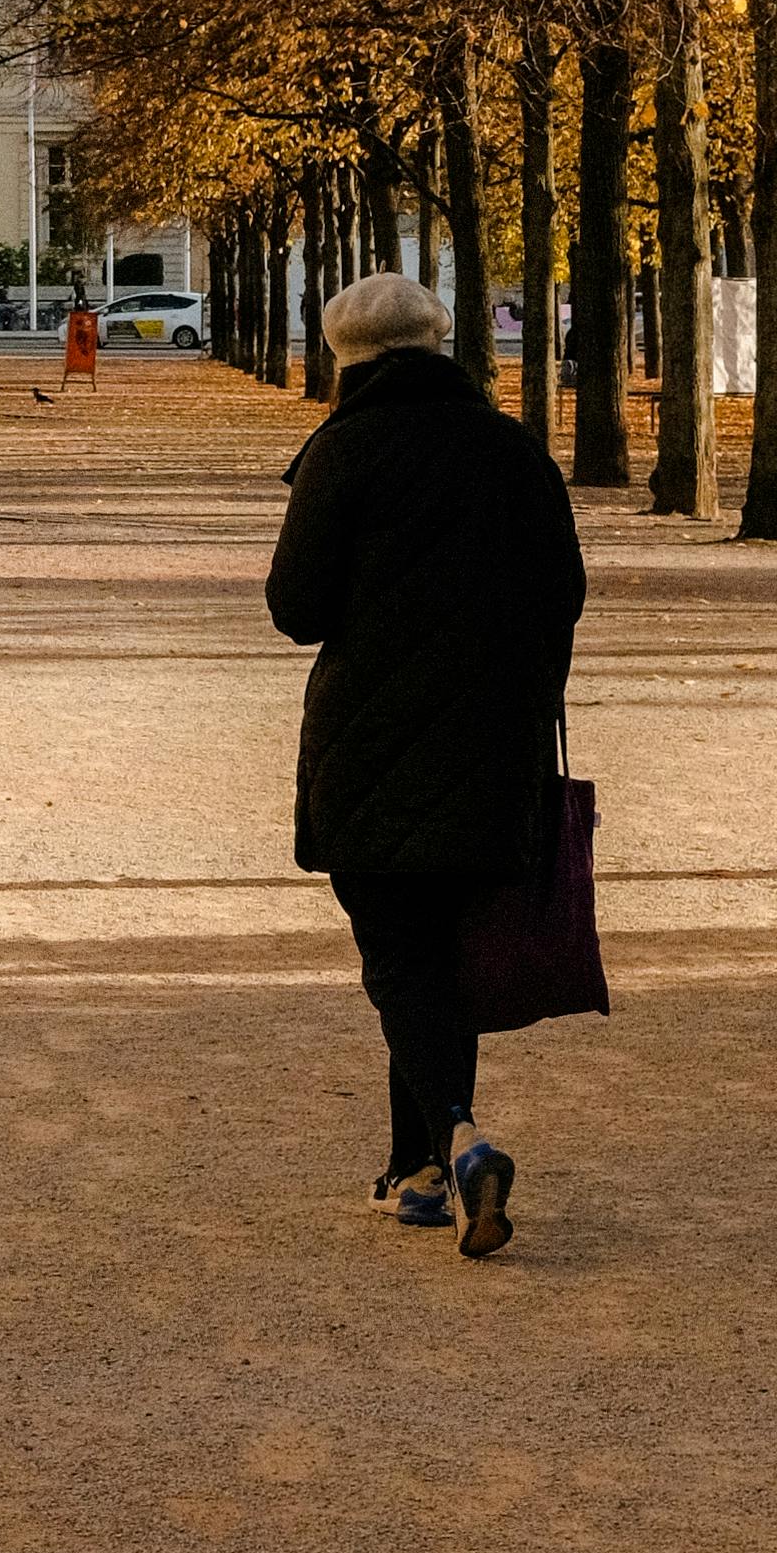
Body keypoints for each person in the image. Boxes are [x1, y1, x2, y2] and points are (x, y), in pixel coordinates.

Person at [265, 264, 585, 1262]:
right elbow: (563, 591)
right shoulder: (510, 448)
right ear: (443, 342)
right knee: (447, 956)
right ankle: (416, 1177)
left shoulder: (343, 452)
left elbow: (296, 608)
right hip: (497, 741)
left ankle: (458, 1137)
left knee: (398, 956)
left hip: (371, 746)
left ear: (345, 357)